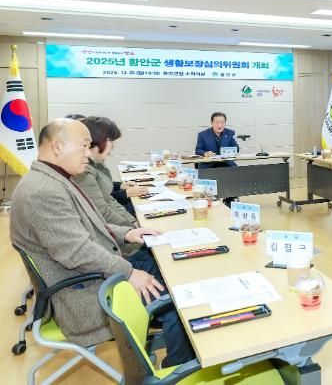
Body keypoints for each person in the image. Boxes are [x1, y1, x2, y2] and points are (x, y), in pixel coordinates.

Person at [10, 118, 194, 367]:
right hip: (83, 294)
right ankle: (176, 370)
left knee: (173, 272)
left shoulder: (53, 179)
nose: (89, 154)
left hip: (93, 273)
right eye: (84, 146)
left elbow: (88, 227)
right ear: (57, 146)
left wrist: (126, 234)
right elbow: (77, 252)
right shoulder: (43, 192)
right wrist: (129, 273)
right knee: (179, 297)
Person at [73, 116, 147, 227]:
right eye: (110, 140)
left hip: (115, 223)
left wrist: (133, 221)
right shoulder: (83, 169)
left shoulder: (96, 162)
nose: (112, 145)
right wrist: (133, 226)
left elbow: (109, 199)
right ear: (99, 139)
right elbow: (102, 212)